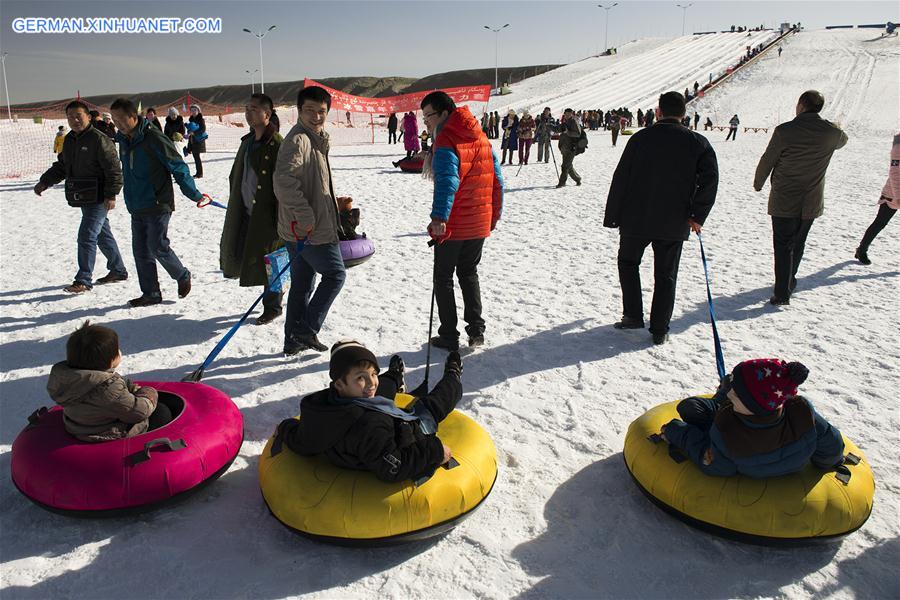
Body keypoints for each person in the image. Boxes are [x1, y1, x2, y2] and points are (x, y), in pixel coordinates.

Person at [603, 91, 718, 345]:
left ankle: (633, 314)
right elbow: (710, 181)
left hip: (636, 217)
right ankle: (659, 328)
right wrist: (698, 215)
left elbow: (621, 177)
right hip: (674, 219)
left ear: (658, 111)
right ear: (684, 114)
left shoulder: (640, 139)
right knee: (666, 274)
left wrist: (613, 215)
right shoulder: (697, 142)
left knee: (628, 264)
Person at [274, 340, 464, 483]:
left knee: (378, 390)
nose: (371, 381)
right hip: (405, 433)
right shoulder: (371, 426)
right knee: (435, 404)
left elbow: (300, 439)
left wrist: (285, 427)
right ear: (339, 383)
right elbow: (394, 467)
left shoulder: (321, 410)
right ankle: (453, 376)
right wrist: (435, 451)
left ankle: (393, 376)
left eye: (373, 373)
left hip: (361, 413)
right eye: (361, 377)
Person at [660, 359, 844, 478]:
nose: (731, 394)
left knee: (691, 408)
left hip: (729, 434)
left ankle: (725, 390)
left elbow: (712, 465)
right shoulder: (801, 413)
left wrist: (675, 431)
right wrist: (823, 464)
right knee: (709, 400)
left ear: (753, 405)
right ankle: (733, 384)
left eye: (736, 393)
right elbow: (832, 446)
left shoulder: (728, 435)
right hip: (756, 421)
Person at [422, 91, 503, 350]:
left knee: (443, 277)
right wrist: (493, 216)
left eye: (429, 116)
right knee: (469, 273)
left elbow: (447, 182)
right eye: (423, 117)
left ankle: (448, 334)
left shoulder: (447, 138)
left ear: (445, 113)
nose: (426, 122)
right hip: (479, 221)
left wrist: (439, 219)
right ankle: (476, 330)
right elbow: (497, 182)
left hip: (454, 224)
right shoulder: (480, 135)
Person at [753, 90, 848, 305]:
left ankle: (782, 292)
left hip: (784, 198)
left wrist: (758, 182)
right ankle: (789, 280)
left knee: (783, 244)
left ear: (801, 105)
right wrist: (833, 125)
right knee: (799, 241)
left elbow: (768, 159)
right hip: (811, 200)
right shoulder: (831, 133)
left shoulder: (785, 131)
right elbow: (843, 139)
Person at [273, 85, 348, 355]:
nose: (316, 116)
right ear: (299, 110)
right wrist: (307, 215)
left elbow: (312, 182)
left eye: (322, 111)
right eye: (310, 110)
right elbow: (283, 182)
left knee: (303, 284)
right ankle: (306, 329)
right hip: (310, 228)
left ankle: (292, 340)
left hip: (298, 228)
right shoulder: (299, 140)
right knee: (335, 275)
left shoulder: (315, 138)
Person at [110, 97, 204, 307]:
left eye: (121, 119)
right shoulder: (123, 140)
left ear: (133, 116)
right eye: (114, 120)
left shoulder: (153, 137)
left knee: (157, 245)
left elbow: (177, 165)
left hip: (157, 201)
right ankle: (151, 292)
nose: (118, 124)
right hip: (136, 203)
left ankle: (181, 275)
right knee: (141, 250)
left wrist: (193, 193)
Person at [34, 100, 128, 294]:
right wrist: (46, 181)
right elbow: (62, 165)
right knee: (102, 235)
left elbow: (114, 169)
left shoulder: (100, 139)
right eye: (70, 117)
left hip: (100, 197)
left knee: (87, 236)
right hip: (83, 194)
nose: (74, 120)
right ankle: (118, 270)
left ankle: (83, 279)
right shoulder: (69, 140)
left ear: (88, 116)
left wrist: (111, 194)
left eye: (78, 116)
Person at [46, 321, 171, 442]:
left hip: (77, 426)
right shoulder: (108, 388)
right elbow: (139, 412)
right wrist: (148, 392)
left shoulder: (65, 377)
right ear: (111, 361)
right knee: (162, 412)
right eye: (117, 350)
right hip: (105, 433)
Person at [220, 93, 285, 325]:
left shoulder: (277, 144)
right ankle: (273, 301)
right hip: (247, 211)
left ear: (267, 115)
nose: (249, 112)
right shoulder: (247, 143)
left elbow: (284, 183)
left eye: (254, 108)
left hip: (270, 217)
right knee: (253, 257)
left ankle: (274, 306)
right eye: (247, 108)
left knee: (273, 260)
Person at [856, 133, 899, 264]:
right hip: (893, 193)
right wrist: (898, 196)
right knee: (880, 222)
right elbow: (895, 173)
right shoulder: (898, 147)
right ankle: (861, 250)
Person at [556, 108, 583, 187]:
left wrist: (568, 132)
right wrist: (549, 126)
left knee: (565, 166)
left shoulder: (574, 122)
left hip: (572, 147)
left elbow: (578, 134)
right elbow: (558, 129)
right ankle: (577, 179)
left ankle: (562, 182)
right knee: (568, 166)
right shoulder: (565, 122)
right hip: (565, 147)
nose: (567, 115)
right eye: (566, 114)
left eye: (569, 114)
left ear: (572, 114)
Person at [186, 105, 206, 178]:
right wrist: (188, 132)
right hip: (192, 140)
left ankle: (199, 173)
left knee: (197, 157)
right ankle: (198, 173)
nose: (193, 111)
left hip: (199, 140)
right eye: (192, 110)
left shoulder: (201, 119)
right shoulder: (191, 120)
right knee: (195, 157)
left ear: (198, 111)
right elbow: (190, 129)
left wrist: (194, 133)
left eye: (195, 110)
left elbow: (203, 130)